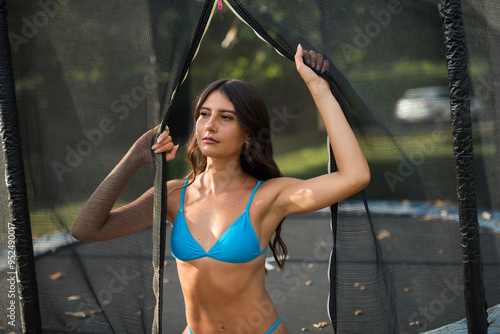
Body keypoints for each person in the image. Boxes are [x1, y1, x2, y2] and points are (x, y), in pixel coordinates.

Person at [72, 44, 370, 334]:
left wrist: (318, 88)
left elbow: (354, 176)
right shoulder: (174, 196)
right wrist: (134, 158)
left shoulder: (268, 197)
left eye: (225, 117)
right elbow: (87, 229)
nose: (209, 125)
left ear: (248, 135)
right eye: (204, 114)